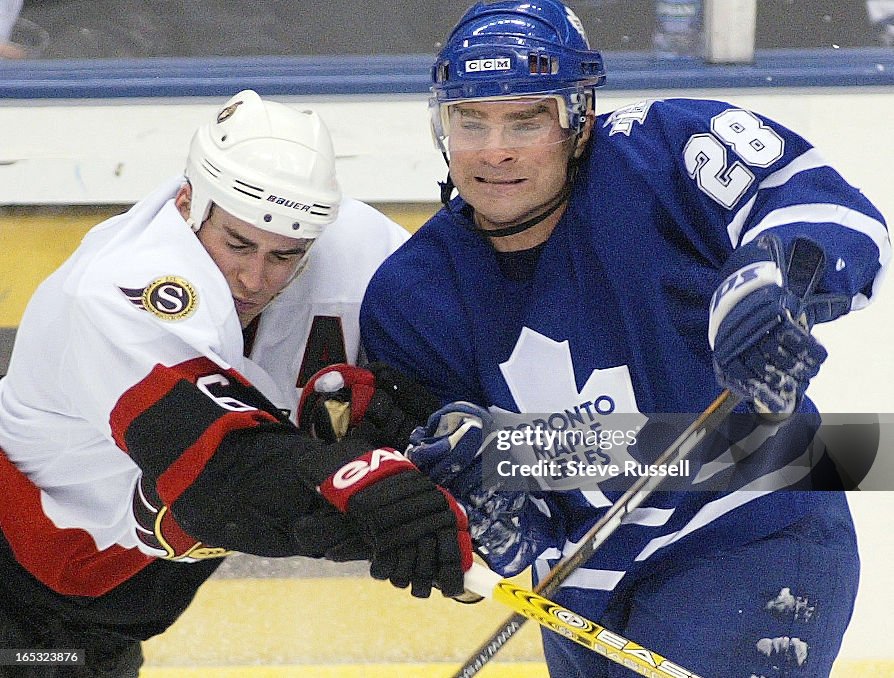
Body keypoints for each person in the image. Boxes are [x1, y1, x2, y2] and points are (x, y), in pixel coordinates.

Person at [358, 2, 890, 676]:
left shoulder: (664, 151)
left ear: (579, 119)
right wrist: (481, 495)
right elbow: (466, 491)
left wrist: (770, 285)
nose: (495, 149)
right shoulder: (412, 296)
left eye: (526, 119)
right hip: (580, 594)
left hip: (751, 531)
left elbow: (831, 212)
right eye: (472, 121)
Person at [0, 89, 473, 677]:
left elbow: (455, 384)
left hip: (123, 598)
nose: (254, 279)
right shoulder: (112, 294)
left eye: (285, 256)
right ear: (185, 207)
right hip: (21, 592)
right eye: (238, 244)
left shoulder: (359, 253)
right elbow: (223, 479)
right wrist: (378, 503)